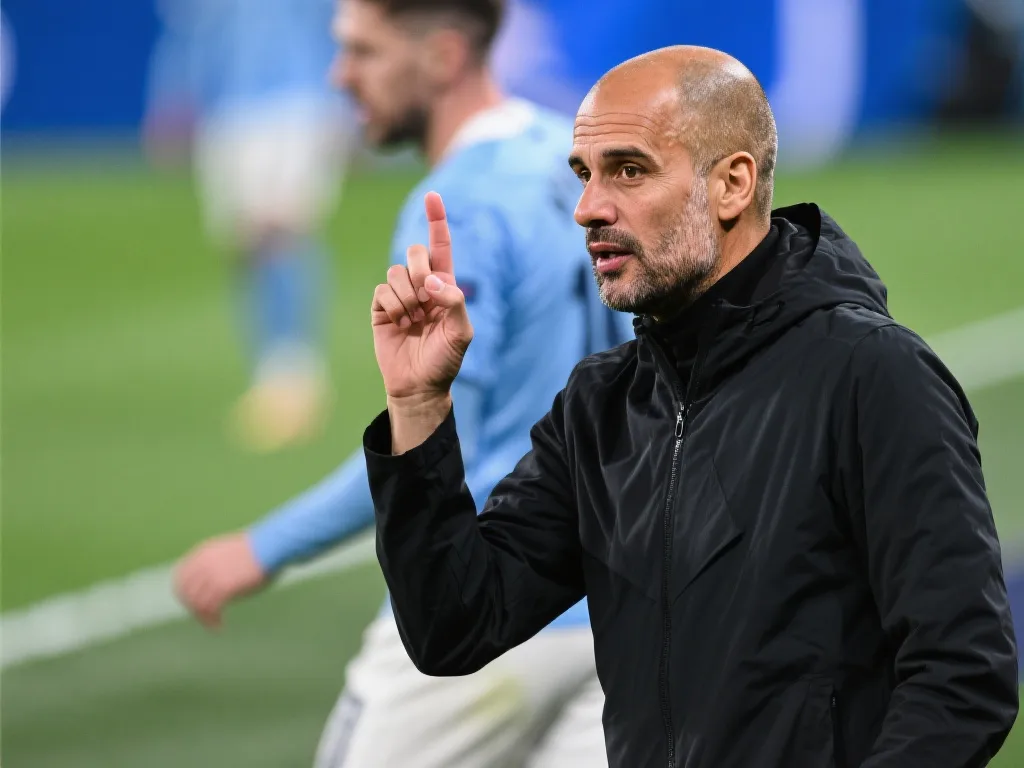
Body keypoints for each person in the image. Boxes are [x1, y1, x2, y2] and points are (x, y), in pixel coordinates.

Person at [363, 45, 1019, 767]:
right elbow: (455, 625)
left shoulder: (872, 375)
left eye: (629, 170)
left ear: (732, 184)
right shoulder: (601, 406)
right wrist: (417, 406)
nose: (588, 209)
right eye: (583, 174)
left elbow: (963, 674)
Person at [174, 1, 631, 765]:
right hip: (618, 602)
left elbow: (430, 447)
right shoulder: (572, 156)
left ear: (443, 56)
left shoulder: (456, 208)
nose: (339, 76)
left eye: (364, 52)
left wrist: (261, 547)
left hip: (489, 599)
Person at [144, 0, 353, 451]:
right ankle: (271, 373)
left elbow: (335, 23)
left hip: (297, 104)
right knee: (248, 246)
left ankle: (298, 377)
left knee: (285, 233)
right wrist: (173, 98)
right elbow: (188, 30)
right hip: (228, 113)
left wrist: (344, 104)